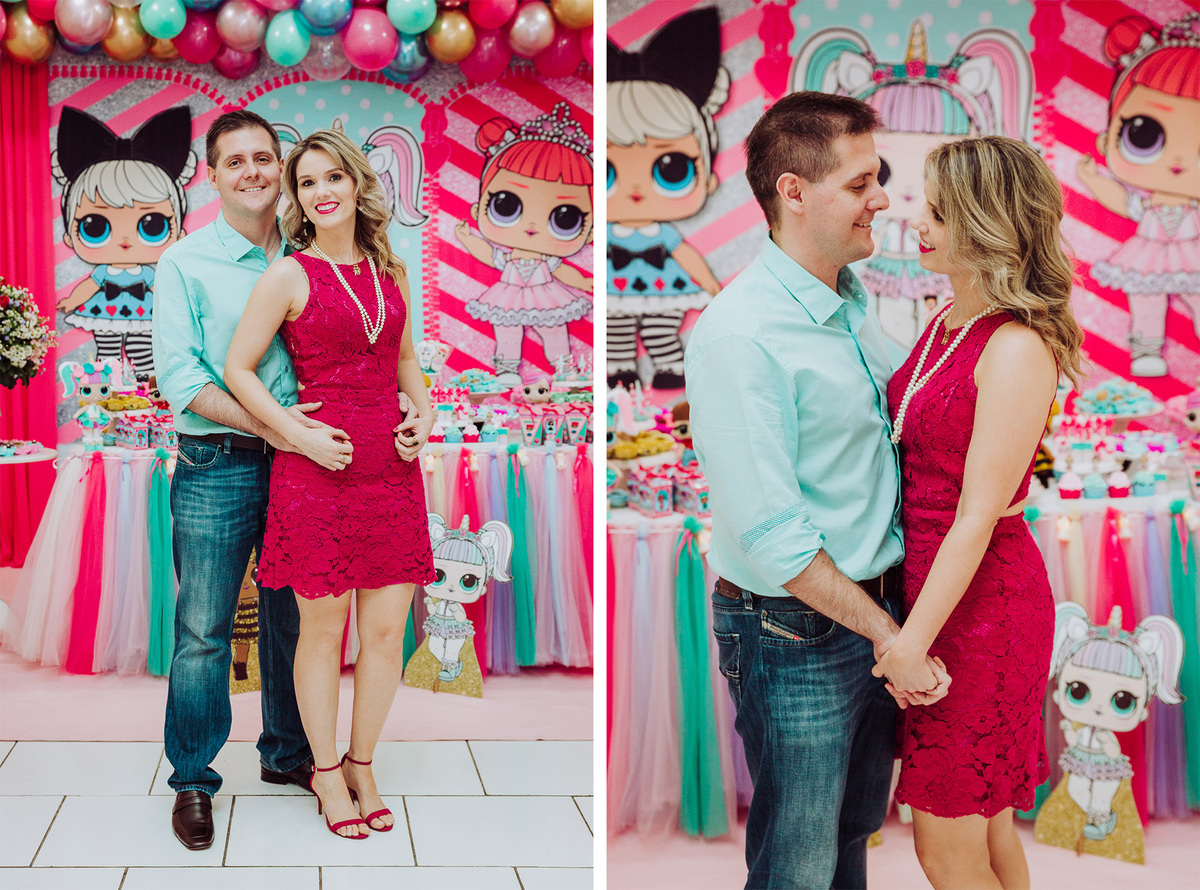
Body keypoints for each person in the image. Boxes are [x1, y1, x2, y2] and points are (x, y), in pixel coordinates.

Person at [685, 91, 951, 890]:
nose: (883, 199)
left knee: (850, 838)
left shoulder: (851, 308)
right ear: (793, 192)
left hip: (868, 615)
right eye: (863, 181)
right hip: (794, 630)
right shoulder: (741, 335)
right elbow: (773, 535)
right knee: (797, 865)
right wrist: (889, 636)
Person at [879, 135, 1085, 889]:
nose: (917, 223)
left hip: (980, 606)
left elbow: (976, 514)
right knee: (987, 831)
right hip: (940, 588)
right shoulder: (947, 323)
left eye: (938, 211)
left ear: (986, 220)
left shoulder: (1016, 344)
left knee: (946, 845)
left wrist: (910, 644)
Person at [224, 128, 435, 839]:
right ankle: (321, 772)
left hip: (392, 470)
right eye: (307, 182)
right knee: (321, 632)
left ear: (356, 184)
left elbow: (409, 365)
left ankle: (362, 762)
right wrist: (293, 429)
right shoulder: (289, 274)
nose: (321, 192)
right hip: (317, 469)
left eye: (332, 178)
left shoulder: (392, 271)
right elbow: (238, 369)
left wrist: (424, 416)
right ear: (298, 197)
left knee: (383, 634)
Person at [153, 109, 332, 851]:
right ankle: (193, 778)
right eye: (237, 161)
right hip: (214, 465)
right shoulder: (184, 263)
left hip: (303, 471)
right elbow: (180, 379)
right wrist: (278, 425)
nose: (255, 171)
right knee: (204, 631)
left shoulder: (312, 254)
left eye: (266, 157)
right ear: (213, 175)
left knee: (298, 623)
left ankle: (288, 754)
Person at [606, 6, 726, 389]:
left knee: (662, 331)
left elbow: (685, 253)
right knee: (616, 334)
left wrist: (712, 287)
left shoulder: (665, 233)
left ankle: (671, 369)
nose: (636, 190)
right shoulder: (608, 235)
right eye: (606, 172)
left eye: (671, 169)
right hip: (616, 291)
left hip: (662, 288)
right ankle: (620, 373)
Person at [1077, 11, 1200, 377]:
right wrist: (1093, 179)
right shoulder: (1145, 204)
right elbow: (1120, 200)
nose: (1178, 162)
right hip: (1148, 254)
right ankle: (1146, 348)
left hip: (1192, 254)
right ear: (1109, 137)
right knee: (1146, 299)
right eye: (1143, 135)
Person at [452, 102, 594, 386]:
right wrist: (468, 239)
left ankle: (563, 367)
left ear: (589, 231)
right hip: (509, 295)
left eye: (565, 218)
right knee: (507, 329)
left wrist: (585, 284)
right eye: (506, 206)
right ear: (479, 208)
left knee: (553, 329)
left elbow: (564, 271)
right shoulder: (507, 258)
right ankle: (507, 369)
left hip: (546, 296)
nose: (531, 227)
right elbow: (489, 254)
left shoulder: (549, 261)